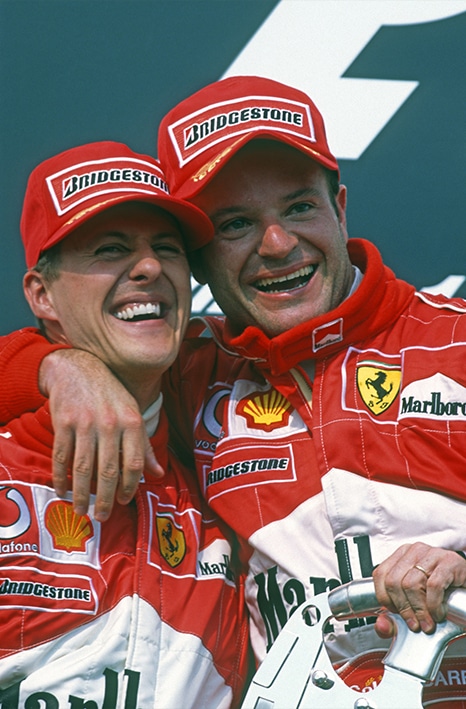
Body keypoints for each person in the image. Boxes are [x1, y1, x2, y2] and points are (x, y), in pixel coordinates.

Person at [1, 77, 466, 705]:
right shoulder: (190, 368)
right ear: (202, 259)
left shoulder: (454, 341)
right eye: (236, 223)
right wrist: (60, 369)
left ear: (341, 209)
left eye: (299, 207)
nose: (277, 245)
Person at [0, 141, 249, 706]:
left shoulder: (231, 479)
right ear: (42, 294)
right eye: (110, 249)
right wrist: (56, 364)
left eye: (167, 248)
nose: (150, 267)